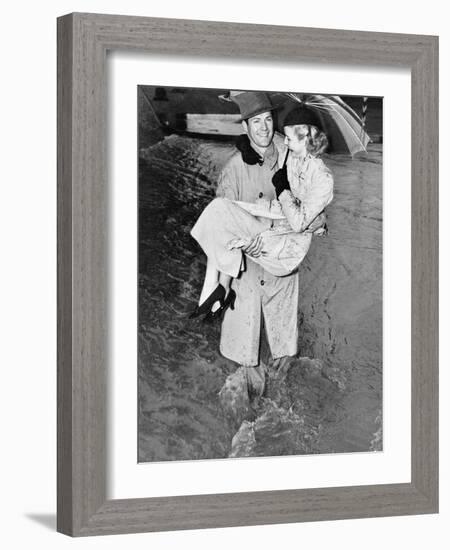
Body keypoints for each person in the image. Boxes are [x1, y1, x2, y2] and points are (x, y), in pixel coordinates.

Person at [191, 92, 333, 399]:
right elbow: (223, 227)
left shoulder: (292, 151)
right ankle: (248, 419)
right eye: (256, 122)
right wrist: (241, 250)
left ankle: (285, 418)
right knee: (247, 360)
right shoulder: (232, 169)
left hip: (281, 270)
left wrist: (319, 221)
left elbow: (315, 203)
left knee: (284, 356)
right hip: (249, 272)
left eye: (268, 120)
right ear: (245, 127)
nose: (265, 129)